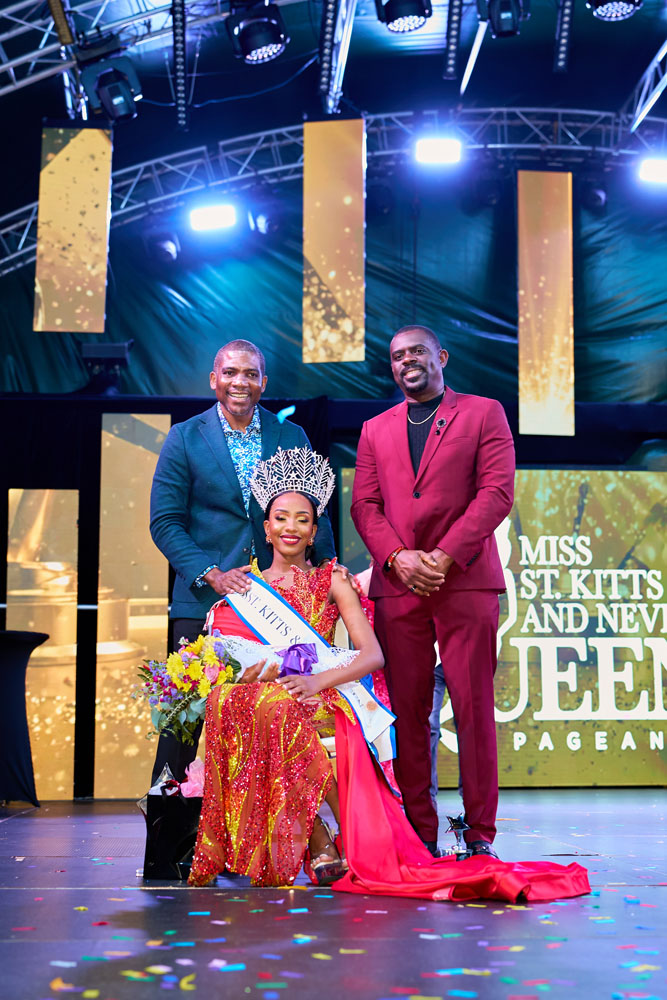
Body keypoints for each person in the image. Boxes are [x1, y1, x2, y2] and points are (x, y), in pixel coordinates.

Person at [187, 448, 590, 904]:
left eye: (303, 519)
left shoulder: (332, 579)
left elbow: (372, 655)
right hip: (274, 695)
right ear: (266, 527)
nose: (290, 528)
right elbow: (231, 663)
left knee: (272, 708)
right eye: (281, 518)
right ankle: (319, 837)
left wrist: (316, 682)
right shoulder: (246, 587)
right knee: (231, 701)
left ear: (315, 530)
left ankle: (323, 842)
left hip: (325, 693)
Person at [351, 324, 515, 859]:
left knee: (473, 708)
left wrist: (443, 556)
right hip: (399, 585)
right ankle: (419, 830)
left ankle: (480, 833)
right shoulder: (375, 429)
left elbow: (497, 492)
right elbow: (364, 506)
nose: (408, 361)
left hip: (465, 578)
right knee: (408, 710)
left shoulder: (484, 412)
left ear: (441, 356)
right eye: (398, 356)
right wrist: (398, 558)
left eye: (417, 351)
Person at [149, 340, 335, 783]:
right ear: (214, 379)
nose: (240, 382)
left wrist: (328, 570)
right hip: (205, 601)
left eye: (250, 374)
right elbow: (165, 522)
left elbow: (316, 514)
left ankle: (262, 819)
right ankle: (167, 824)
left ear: (263, 382)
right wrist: (210, 573)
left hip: (280, 602)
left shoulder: (290, 435)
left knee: (274, 717)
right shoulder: (185, 437)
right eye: (231, 372)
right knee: (183, 724)